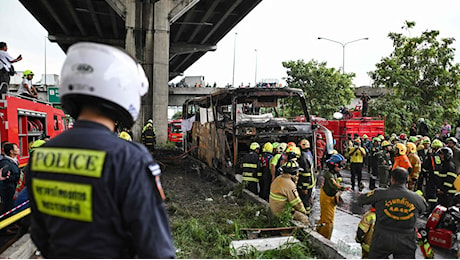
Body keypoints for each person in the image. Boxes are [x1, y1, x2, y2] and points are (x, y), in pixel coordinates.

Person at [25, 42, 175, 258]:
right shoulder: (130, 158)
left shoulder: (39, 156)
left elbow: (39, 235)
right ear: (123, 89)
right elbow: (156, 249)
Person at [358, 168, 427, 258]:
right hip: (406, 241)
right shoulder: (417, 198)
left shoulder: (380, 193)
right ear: (407, 181)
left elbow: (361, 200)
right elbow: (424, 208)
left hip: (382, 239)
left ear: (392, 179)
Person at [316, 154, 351, 239]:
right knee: (328, 221)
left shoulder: (332, 173)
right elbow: (334, 184)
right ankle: (324, 238)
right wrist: (343, 188)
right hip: (327, 199)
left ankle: (317, 232)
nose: (341, 168)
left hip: (329, 198)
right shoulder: (329, 175)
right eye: (340, 166)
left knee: (323, 218)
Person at [269, 160, 310, 225]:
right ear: (293, 173)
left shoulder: (278, 178)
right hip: (281, 212)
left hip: (274, 208)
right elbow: (296, 202)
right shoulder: (290, 184)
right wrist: (304, 212)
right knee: (304, 219)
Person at [0, 143, 20, 214]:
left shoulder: (14, 160)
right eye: (16, 148)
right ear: (11, 151)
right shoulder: (5, 162)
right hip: (8, 189)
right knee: (8, 206)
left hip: (13, 187)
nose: (18, 149)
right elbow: (5, 177)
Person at [297, 139, 315, 215]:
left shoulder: (303, 156)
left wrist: (304, 187)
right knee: (307, 200)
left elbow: (306, 173)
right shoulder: (309, 153)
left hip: (306, 183)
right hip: (310, 182)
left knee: (305, 201)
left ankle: (306, 216)